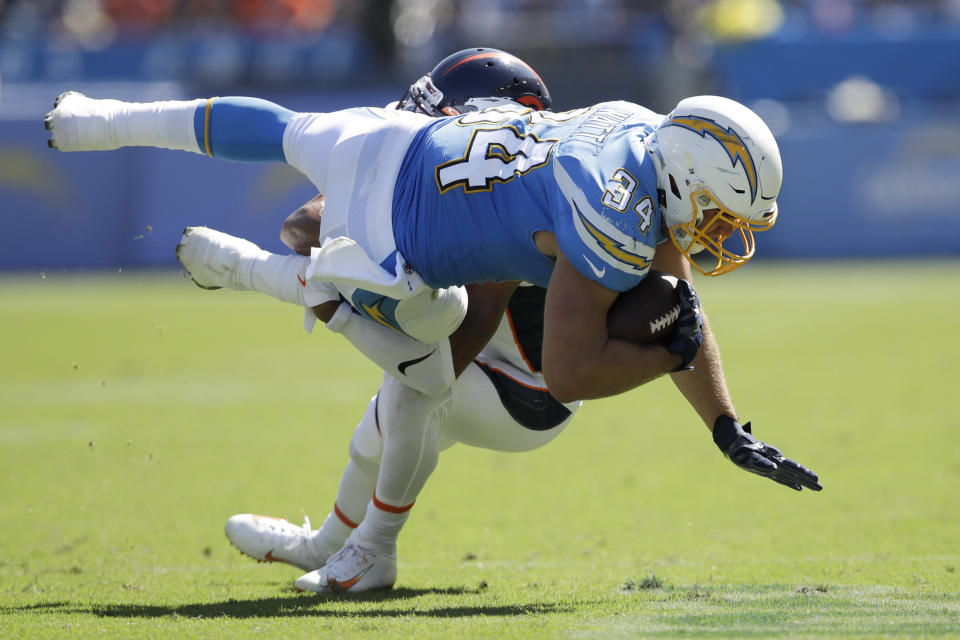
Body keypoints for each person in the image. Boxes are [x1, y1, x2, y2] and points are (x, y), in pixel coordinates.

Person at [44, 68, 823, 592]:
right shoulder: (609, 210)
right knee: (420, 353)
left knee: (290, 142)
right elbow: (575, 371)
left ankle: (102, 122)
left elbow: (676, 305)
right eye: (721, 213)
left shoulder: (632, 131)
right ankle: (355, 544)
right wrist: (665, 358)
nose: (723, 235)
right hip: (406, 256)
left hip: (398, 158)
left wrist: (722, 422)